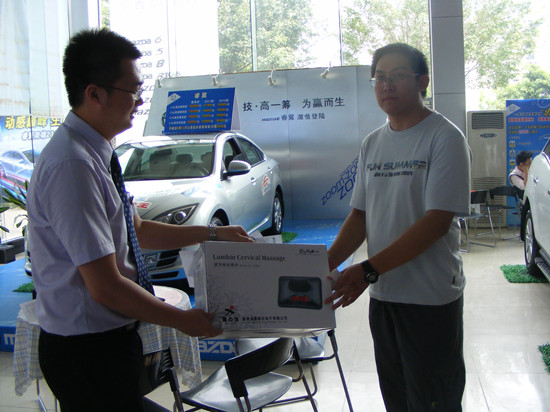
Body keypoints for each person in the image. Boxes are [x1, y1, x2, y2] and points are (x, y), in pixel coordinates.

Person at [27, 28, 253, 412]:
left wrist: (214, 234)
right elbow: (106, 287)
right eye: (132, 91)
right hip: (87, 351)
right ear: (94, 93)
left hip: (108, 341)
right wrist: (183, 320)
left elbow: (138, 231)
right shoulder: (72, 166)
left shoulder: (96, 152)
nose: (140, 101)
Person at [324, 43, 470, 411]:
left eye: (398, 76)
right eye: (380, 78)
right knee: (398, 398)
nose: (387, 85)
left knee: (434, 401)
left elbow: (436, 223)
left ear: (422, 82)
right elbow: (360, 216)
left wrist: (368, 269)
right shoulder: (373, 143)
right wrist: (321, 265)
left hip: (430, 298)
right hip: (385, 296)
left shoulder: (445, 138)